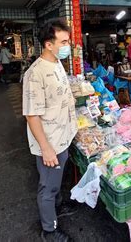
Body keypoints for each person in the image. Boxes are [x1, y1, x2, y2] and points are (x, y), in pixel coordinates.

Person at [23, 20, 77, 242]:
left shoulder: (56, 63)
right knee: (47, 187)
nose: (68, 45)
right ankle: (49, 230)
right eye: (64, 42)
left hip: (63, 137)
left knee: (56, 182)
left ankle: (58, 204)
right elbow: (32, 115)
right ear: (48, 44)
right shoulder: (35, 73)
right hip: (50, 143)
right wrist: (46, 149)